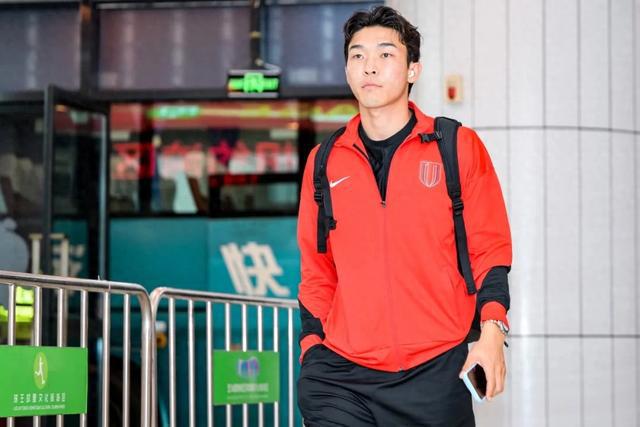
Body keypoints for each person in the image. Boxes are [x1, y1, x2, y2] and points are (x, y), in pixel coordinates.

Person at [296, 5, 512, 427]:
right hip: (341, 373)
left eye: (385, 54)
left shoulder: (455, 146)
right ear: (346, 70)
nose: (369, 66)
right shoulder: (324, 161)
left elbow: (490, 249)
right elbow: (317, 267)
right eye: (357, 55)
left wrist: (492, 332)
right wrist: (312, 349)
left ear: (414, 69)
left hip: (434, 371)